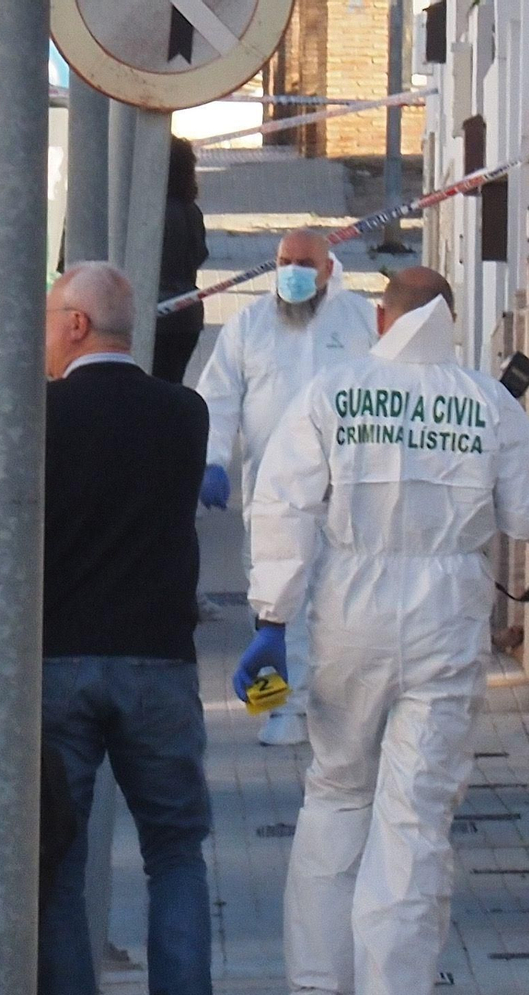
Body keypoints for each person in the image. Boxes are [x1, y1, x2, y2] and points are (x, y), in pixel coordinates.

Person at [234, 267, 529, 995]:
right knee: (415, 819)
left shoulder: (334, 393)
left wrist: (271, 618)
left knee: (336, 793)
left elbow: (282, 506)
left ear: (383, 318)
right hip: (447, 616)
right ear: (451, 319)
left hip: (350, 608)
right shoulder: (485, 400)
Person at [37, 262, 260, 995]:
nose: (45, 334)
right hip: (159, 664)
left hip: (59, 661)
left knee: (59, 862)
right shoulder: (183, 414)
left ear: (78, 325)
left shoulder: (40, 415)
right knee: (174, 848)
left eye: (52, 317)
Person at [196, 227, 378, 746]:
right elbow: (217, 397)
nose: (292, 272)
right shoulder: (249, 325)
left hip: (345, 489)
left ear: (328, 268)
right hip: (272, 493)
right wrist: (211, 460)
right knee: (272, 601)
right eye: (284, 262)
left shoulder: (362, 321)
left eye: (304, 263)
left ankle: (337, 708)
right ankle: (278, 709)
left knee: (340, 601)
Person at [153, 136, 209, 384]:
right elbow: (200, 254)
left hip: (154, 314)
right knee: (170, 383)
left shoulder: (149, 211)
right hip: (187, 314)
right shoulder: (191, 210)